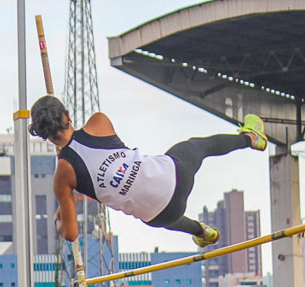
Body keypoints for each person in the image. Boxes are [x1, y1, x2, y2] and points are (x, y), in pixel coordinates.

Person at [29, 95, 268, 249]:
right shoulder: (99, 122)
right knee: (197, 146)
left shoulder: (63, 175)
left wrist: (59, 219)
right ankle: (251, 138)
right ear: (68, 116)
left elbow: (70, 234)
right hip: (174, 178)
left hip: (160, 216)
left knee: (158, 211)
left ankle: (203, 233)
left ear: (43, 136)